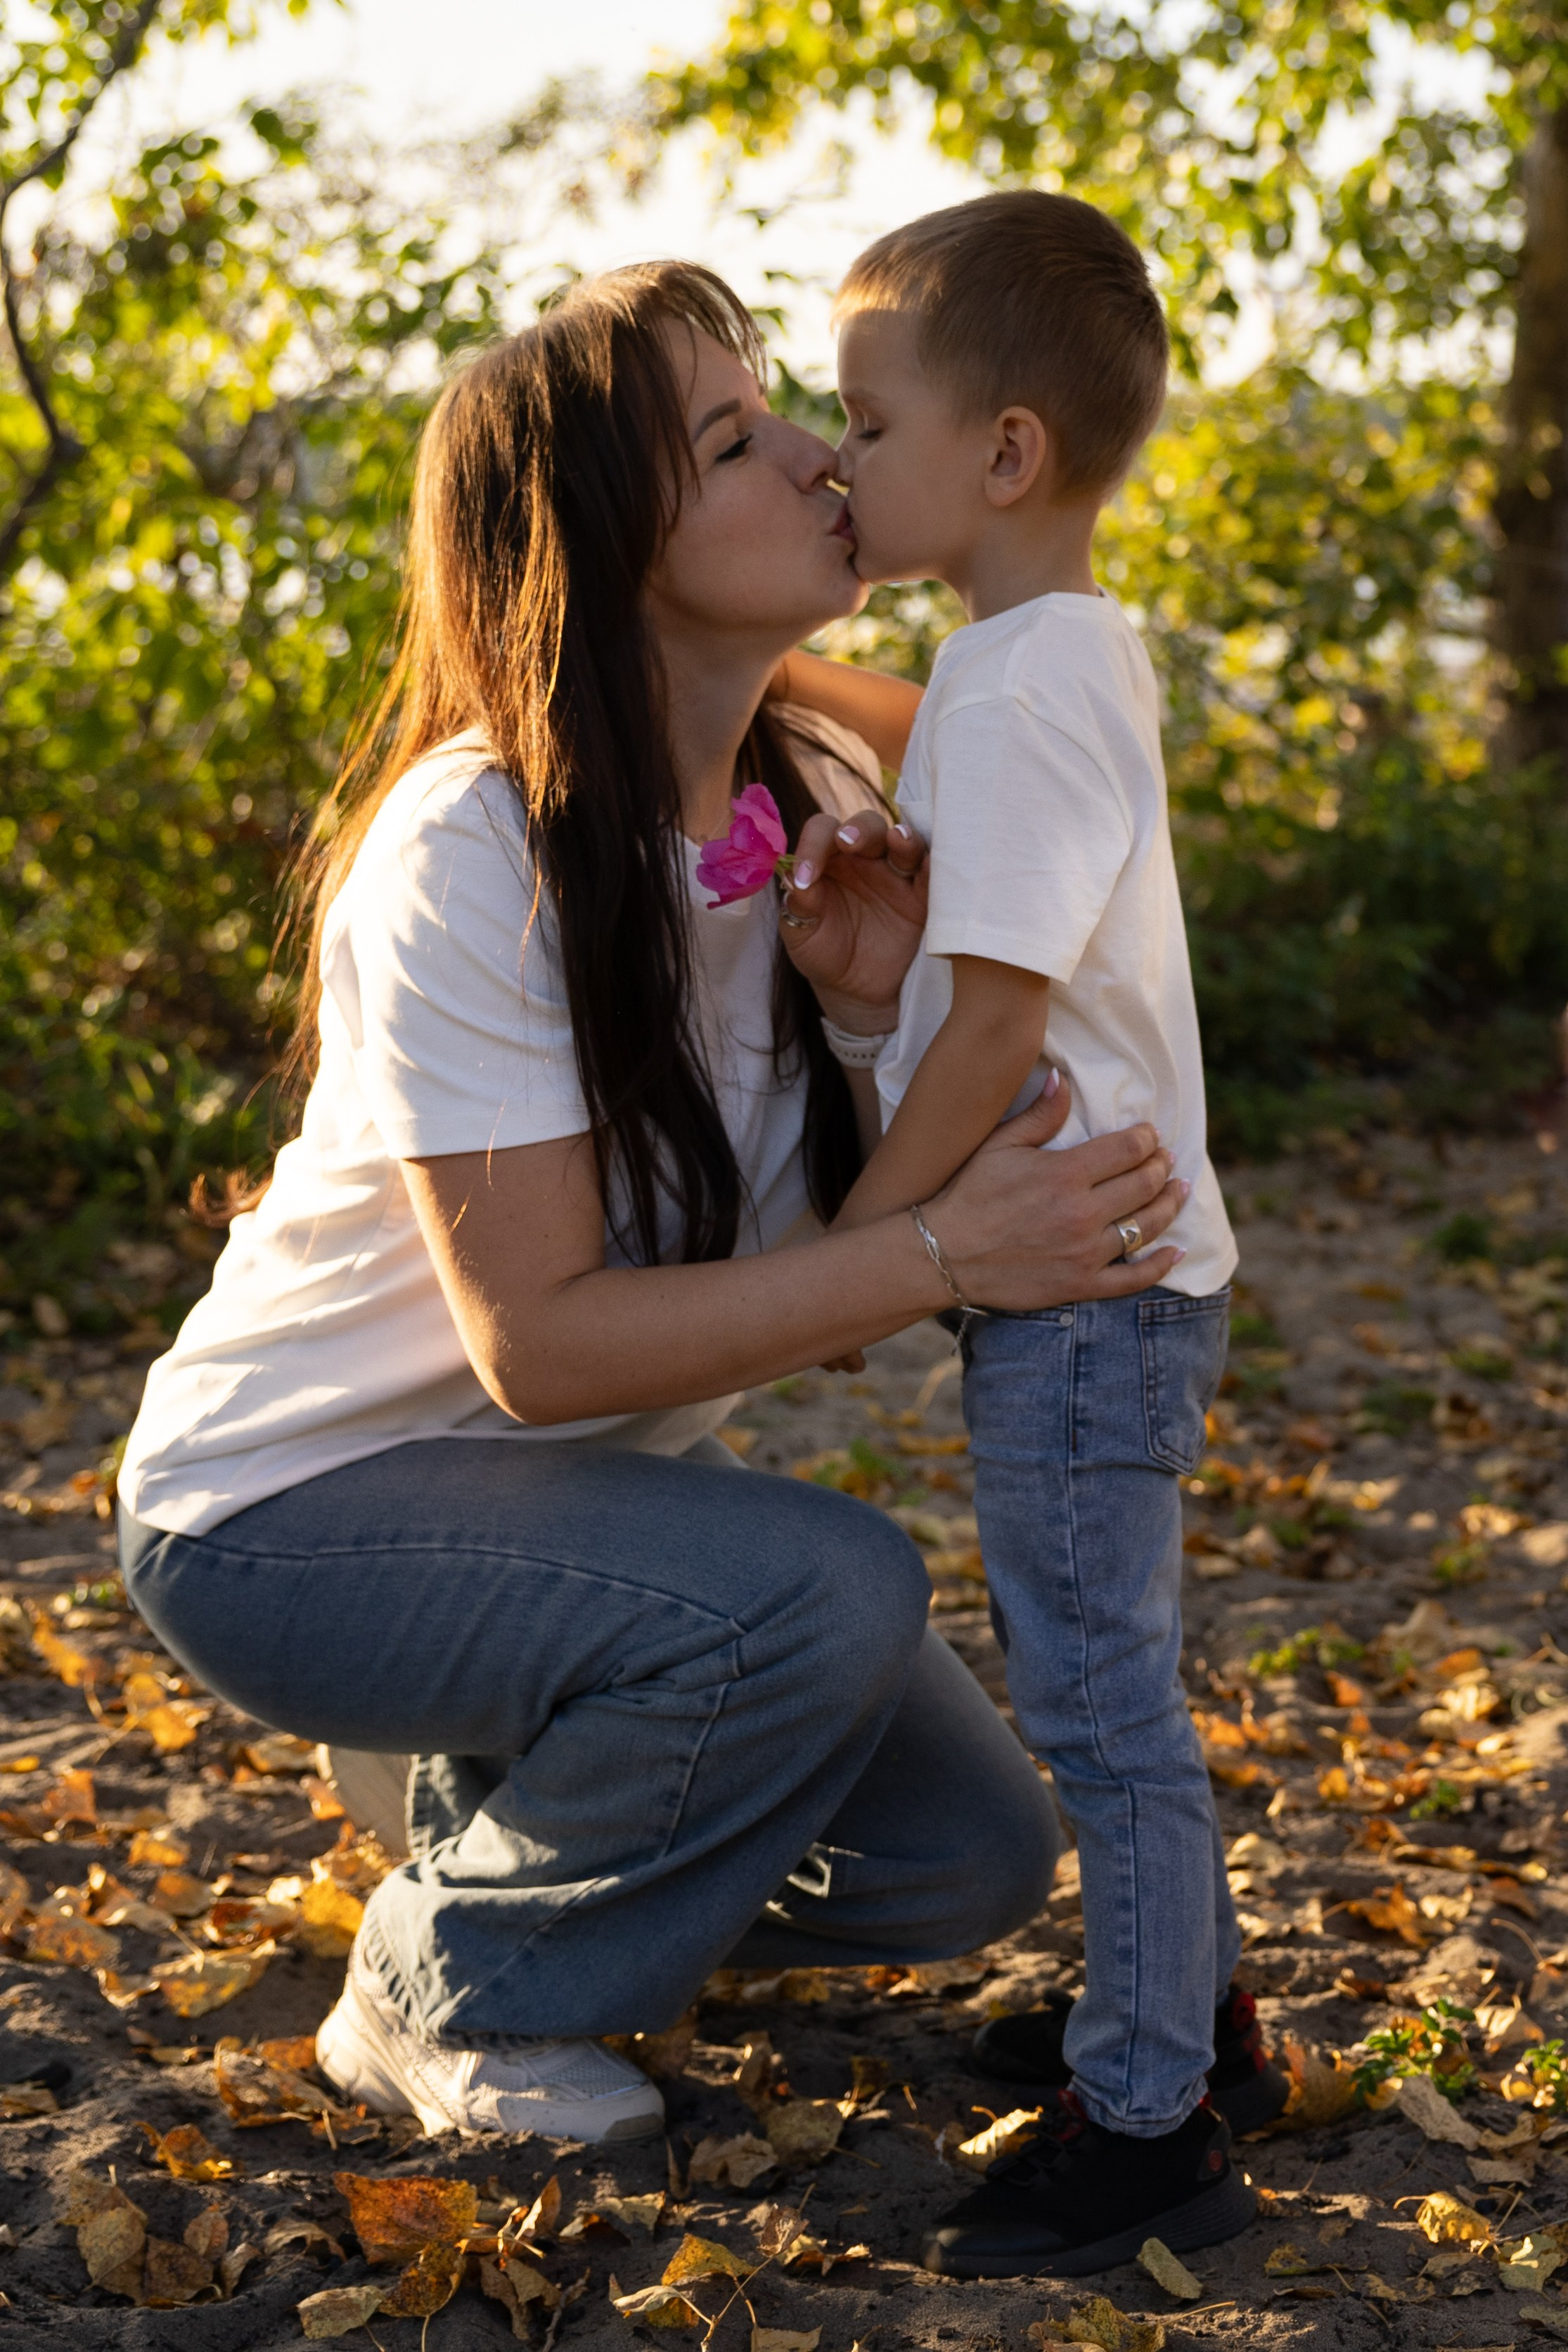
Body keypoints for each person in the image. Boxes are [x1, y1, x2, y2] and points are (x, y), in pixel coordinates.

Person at [114, 260, 1189, 2151]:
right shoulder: (475, 847)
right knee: (836, 1583)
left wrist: (865, 1014)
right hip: (286, 1518)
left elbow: (1004, 702)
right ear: (608, 540)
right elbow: (537, 1347)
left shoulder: (823, 784)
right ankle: (455, 1975)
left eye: (802, 414)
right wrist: (945, 1253)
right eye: (739, 438)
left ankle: (520, 1796)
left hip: (554, 1526)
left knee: (969, 1855)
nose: (816, 456)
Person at [779, 193, 1287, 2277]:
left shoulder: (1020, 687)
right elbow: (953, 748)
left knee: (1101, 1710)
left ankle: (1149, 2111)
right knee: (1118, 1688)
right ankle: (1203, 2021)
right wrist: (791, 662)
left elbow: (989, 1020)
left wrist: (864, 1254)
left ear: (1000, 453)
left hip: (1080, 1291)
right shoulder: (1042, 655)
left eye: (862, 424)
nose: (833, 461)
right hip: (1123, 1281)